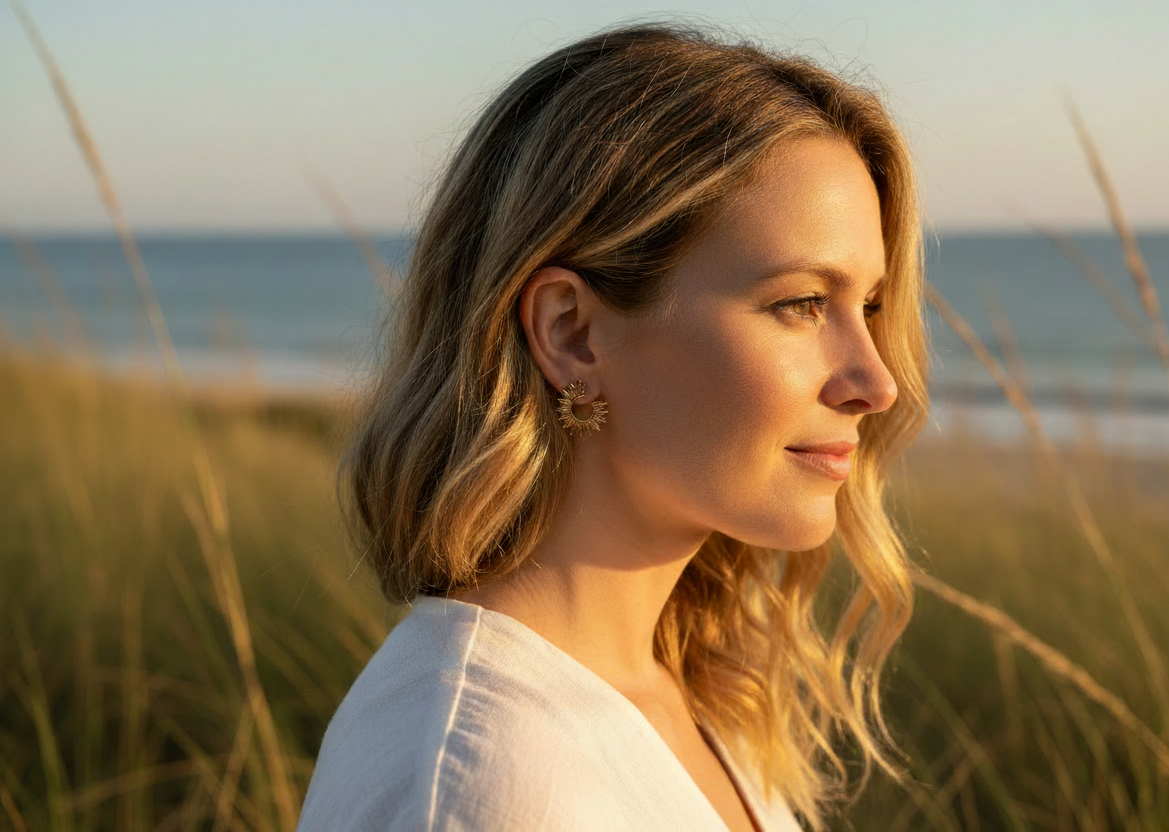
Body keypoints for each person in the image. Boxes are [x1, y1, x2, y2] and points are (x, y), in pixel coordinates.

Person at [298, 20, 928, 832]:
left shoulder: (681, 692)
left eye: (868, 307)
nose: (875, 382)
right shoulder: (486, 782)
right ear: (572, 333)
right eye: (802, 304)